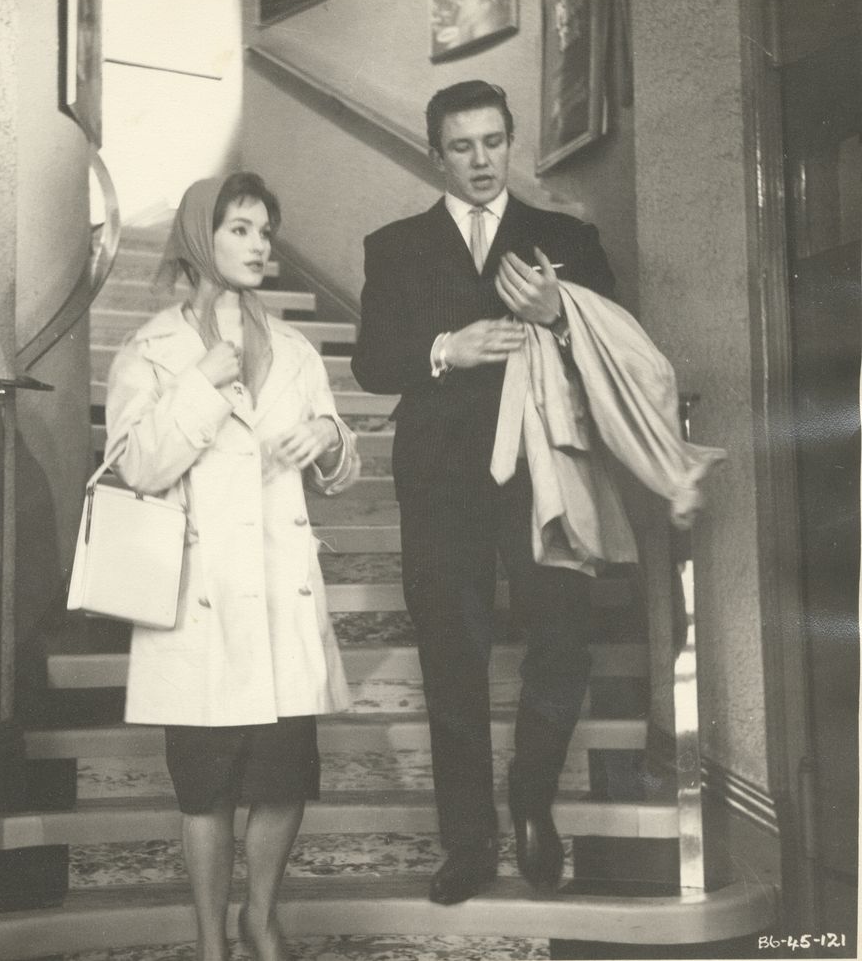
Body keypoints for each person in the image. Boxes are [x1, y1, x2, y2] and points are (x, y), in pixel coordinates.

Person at [351, 80, 617, 904]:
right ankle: (468, 839)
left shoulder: (565, 238)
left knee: (564, 634)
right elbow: (371, 362)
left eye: (494, 142)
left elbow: (620, 346)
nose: (481, 160)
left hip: (545, 471)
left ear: (512, 141)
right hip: (439, 477)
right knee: (450, 656)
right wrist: (446, 348)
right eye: (462, 146)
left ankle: (532, 801)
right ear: (435, 153)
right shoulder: (394, 246)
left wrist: (562, 312)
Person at [104, 172, 359, 961]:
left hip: (280, 596)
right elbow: (137, 466)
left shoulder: (295, 349)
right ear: (198, 237)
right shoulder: (149, 351)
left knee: (285, 780)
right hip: (201, 601)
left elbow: (341, 472)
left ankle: (261, 915)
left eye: (264, 231)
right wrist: (201, 385)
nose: (258, 245)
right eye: (239, 229)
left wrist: (331, 437)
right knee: (207, 789)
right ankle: (212, 939)